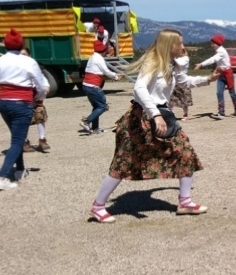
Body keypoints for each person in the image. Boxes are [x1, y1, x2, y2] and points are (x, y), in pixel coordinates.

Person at [88, 30, 218, 224]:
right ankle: (98, 206)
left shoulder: (171, 63)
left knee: (185, 152)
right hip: (142, 117)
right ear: (169, 45)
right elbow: (139, 88)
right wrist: (155, 114)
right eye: (180, 43)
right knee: (125, 162)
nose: (183, 47)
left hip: (162, 116)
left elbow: (183, 81)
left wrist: (207, 79)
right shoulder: (153, 61)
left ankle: (185, 202)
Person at [0, 29, 49, 190]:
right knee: (18, 140)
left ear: (5, 44)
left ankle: (19, 170)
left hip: (3, 102)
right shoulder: (29, 62)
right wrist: (38, 97)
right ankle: (2, 176)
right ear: (21, 45)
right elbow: (41, 86)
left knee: (16, 137)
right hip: (22, 102)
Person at [79, 40, 121, 134]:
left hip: (87, 85)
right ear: (103, 50)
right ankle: (86, 122)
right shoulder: (99, 59)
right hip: (93, 86)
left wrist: (115, 75)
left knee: (97, 106)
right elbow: (106, 71)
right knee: (103, 106)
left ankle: (95, 128)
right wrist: (116, 76)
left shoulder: (92, 57)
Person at [195, 34, 236, 119]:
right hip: (221, 74)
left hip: (228, 74)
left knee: (232, 93)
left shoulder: (221, 52)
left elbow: (213, 59)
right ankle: (221, 112)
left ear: (218, 43)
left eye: (213, 43)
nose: (212, 45)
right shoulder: (219, 51)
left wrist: (201, 64)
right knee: (219, 93)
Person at [18, 47, 51, 153]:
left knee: (40, 113)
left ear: (29, 56)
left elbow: (44, 83)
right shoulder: (16, 69)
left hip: (35, 97)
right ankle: (25, 142)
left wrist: (42, 94)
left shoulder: (34, 67)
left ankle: (42, 140)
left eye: (24, 55)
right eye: (20, 55)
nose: (22, 57)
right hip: (22, 98)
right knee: (23, 119)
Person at [168, 46, 193, 120]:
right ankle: (171, 112)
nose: (180, 52)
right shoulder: (175, 58)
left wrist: (172, 57)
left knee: (184, 99)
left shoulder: (185, 58)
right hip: (174, 80)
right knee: (171, 98)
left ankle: (185, 114)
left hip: (183, 81)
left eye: (181, 50)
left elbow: (180, 64)